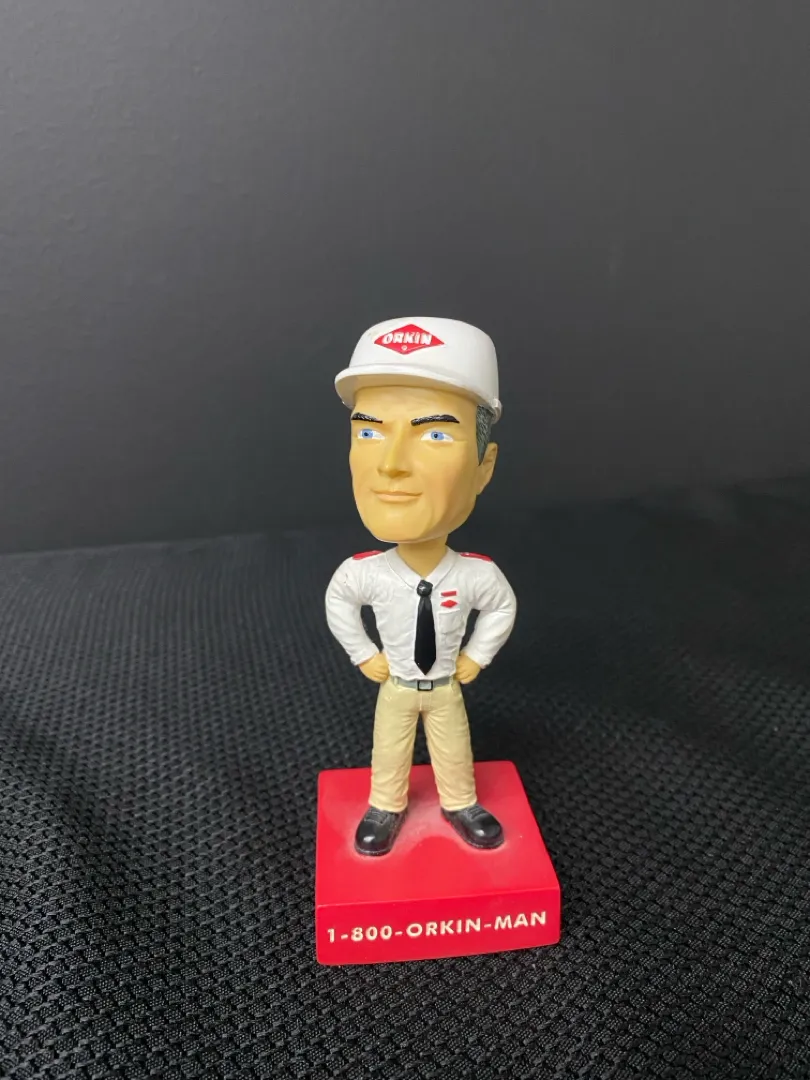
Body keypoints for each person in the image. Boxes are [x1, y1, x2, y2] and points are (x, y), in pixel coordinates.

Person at [325, 318, 517, 856]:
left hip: (445, 684)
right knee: (389, 747)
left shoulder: (475, 575)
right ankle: (385, 806)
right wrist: (364, 653)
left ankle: (461, 802)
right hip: (397, 683)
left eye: (434, 434)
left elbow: (500, 607)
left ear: (483, 466)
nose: (390, 465)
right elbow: (340, 602)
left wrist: (477, 655)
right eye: (369, 432)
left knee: (453, 746)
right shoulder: (365, 572)